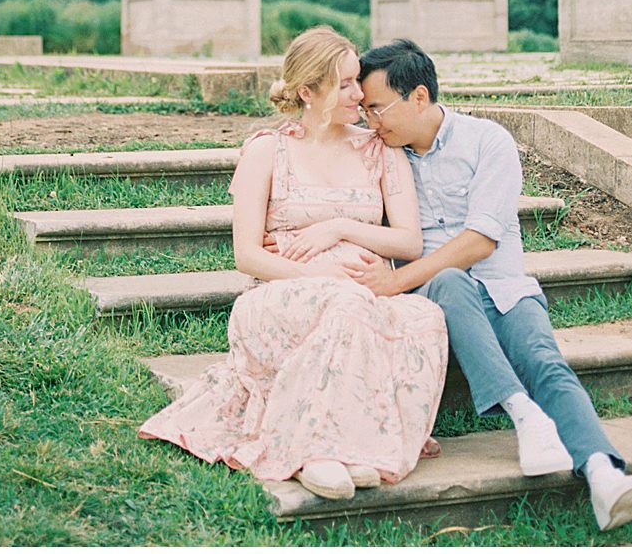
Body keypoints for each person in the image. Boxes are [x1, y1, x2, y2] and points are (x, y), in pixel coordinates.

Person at [352, 38, 632, 534]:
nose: (371, 121)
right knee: (448, 280)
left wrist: (394, 280)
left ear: (420, 97)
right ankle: (522, 413)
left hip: (501, 287)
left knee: (544, 361)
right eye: (365, 111)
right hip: (435, 300)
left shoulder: (487, 141)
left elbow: (480, 242)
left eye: (377, 108)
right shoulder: (381, 157)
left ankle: (603, 475)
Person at [137, 26, 448, 501]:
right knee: (344, 302)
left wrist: (340, 228)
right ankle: (315, 451)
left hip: (362, 295)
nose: (359, 92)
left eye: (356, 80)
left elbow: (408, 241)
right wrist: (319, 273)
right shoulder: (267, 151)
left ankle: (356, 445)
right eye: (344, 83)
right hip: (279, 297)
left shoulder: (378, 150)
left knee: (423, 316)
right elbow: (248, 254)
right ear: (308, 91)